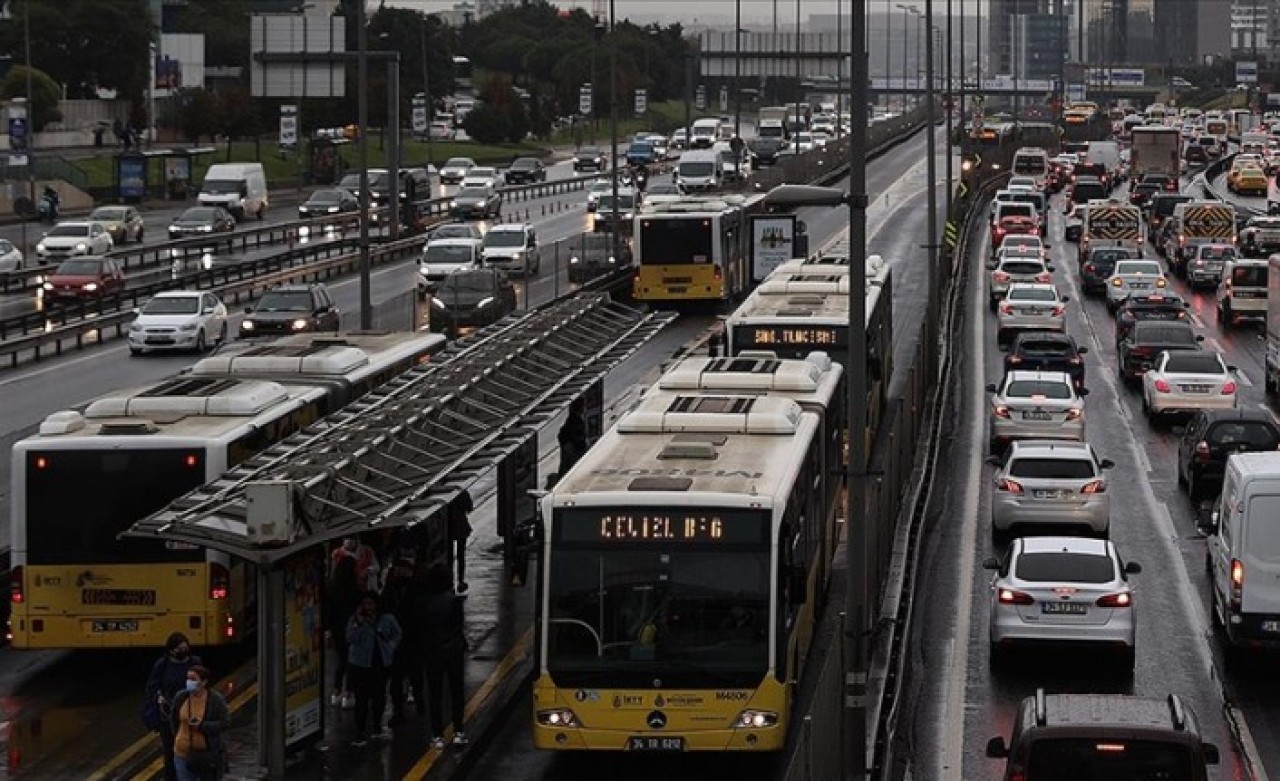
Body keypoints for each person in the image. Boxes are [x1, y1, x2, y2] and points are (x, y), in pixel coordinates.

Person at [345, 591, 402, 747]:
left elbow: (397, 634)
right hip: (360, 664)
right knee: (361, 699)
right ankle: (360, 731)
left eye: (370, 603)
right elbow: (350, 638)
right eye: (365, 604)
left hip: (380, 664)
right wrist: (359, 623)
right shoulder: (355, 620)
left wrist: (390, 647)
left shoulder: (387, 618)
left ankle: (376, 725)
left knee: (379, 696)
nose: (368, 607)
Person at [146, 632, 202, 781]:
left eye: (185, 648)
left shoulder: (194, 662)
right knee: (170, 751)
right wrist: (158, 697)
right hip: (168, 716)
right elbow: (152, 686)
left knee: (190, 750)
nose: (183, 651)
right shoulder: (162, 664)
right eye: (179, 649)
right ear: (171, 650)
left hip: (190, 713)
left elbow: (203, 684)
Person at [422, 566, 468, 749]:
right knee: (456, 691)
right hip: (453, 650)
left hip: (433, 652)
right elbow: (459, 624)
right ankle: (459, 731)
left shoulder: (425, 602)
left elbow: (422, 628)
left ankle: (437, 735)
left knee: (435, 694)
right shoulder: (454, 602)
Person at [383, 560, 427, 726]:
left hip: (412, 639)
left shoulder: (417, 589)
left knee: (415, 676)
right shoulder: (390, 590)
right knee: (396, 679)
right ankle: (398, 711)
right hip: (395, 642)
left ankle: (419, 701)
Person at [169, 665, 228, 781]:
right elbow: (174, 719)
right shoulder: (181, 697)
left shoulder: (216, 700)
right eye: (188, 678)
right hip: (182, 754)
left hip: (207, 756)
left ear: (204, 682)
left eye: (193, 679)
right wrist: (177, 738)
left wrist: (202, 725)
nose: (189, 682)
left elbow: (225, 723)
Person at [327, 541, 360, 709]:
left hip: (337, 629)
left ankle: (336, 691)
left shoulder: (332, 590)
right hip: (352, 629)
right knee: (351, 660)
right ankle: (349, 692)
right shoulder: (354, 591)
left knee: (340, 660)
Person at [447, 491, 474, 595]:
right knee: (461, 555)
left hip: (448, 527)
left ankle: (449, 580)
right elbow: (470, 508)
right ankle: (460, 580)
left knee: (449, 556)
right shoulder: (463, 493)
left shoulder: (446, 493)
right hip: (461, 526)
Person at [557, 399, 589, 478]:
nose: (585, 409)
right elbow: (578, 439)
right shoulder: (576, 421)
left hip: (572, 452)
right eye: (584, 406)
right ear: (581, 408)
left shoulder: (573, 419)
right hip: (574, 452)